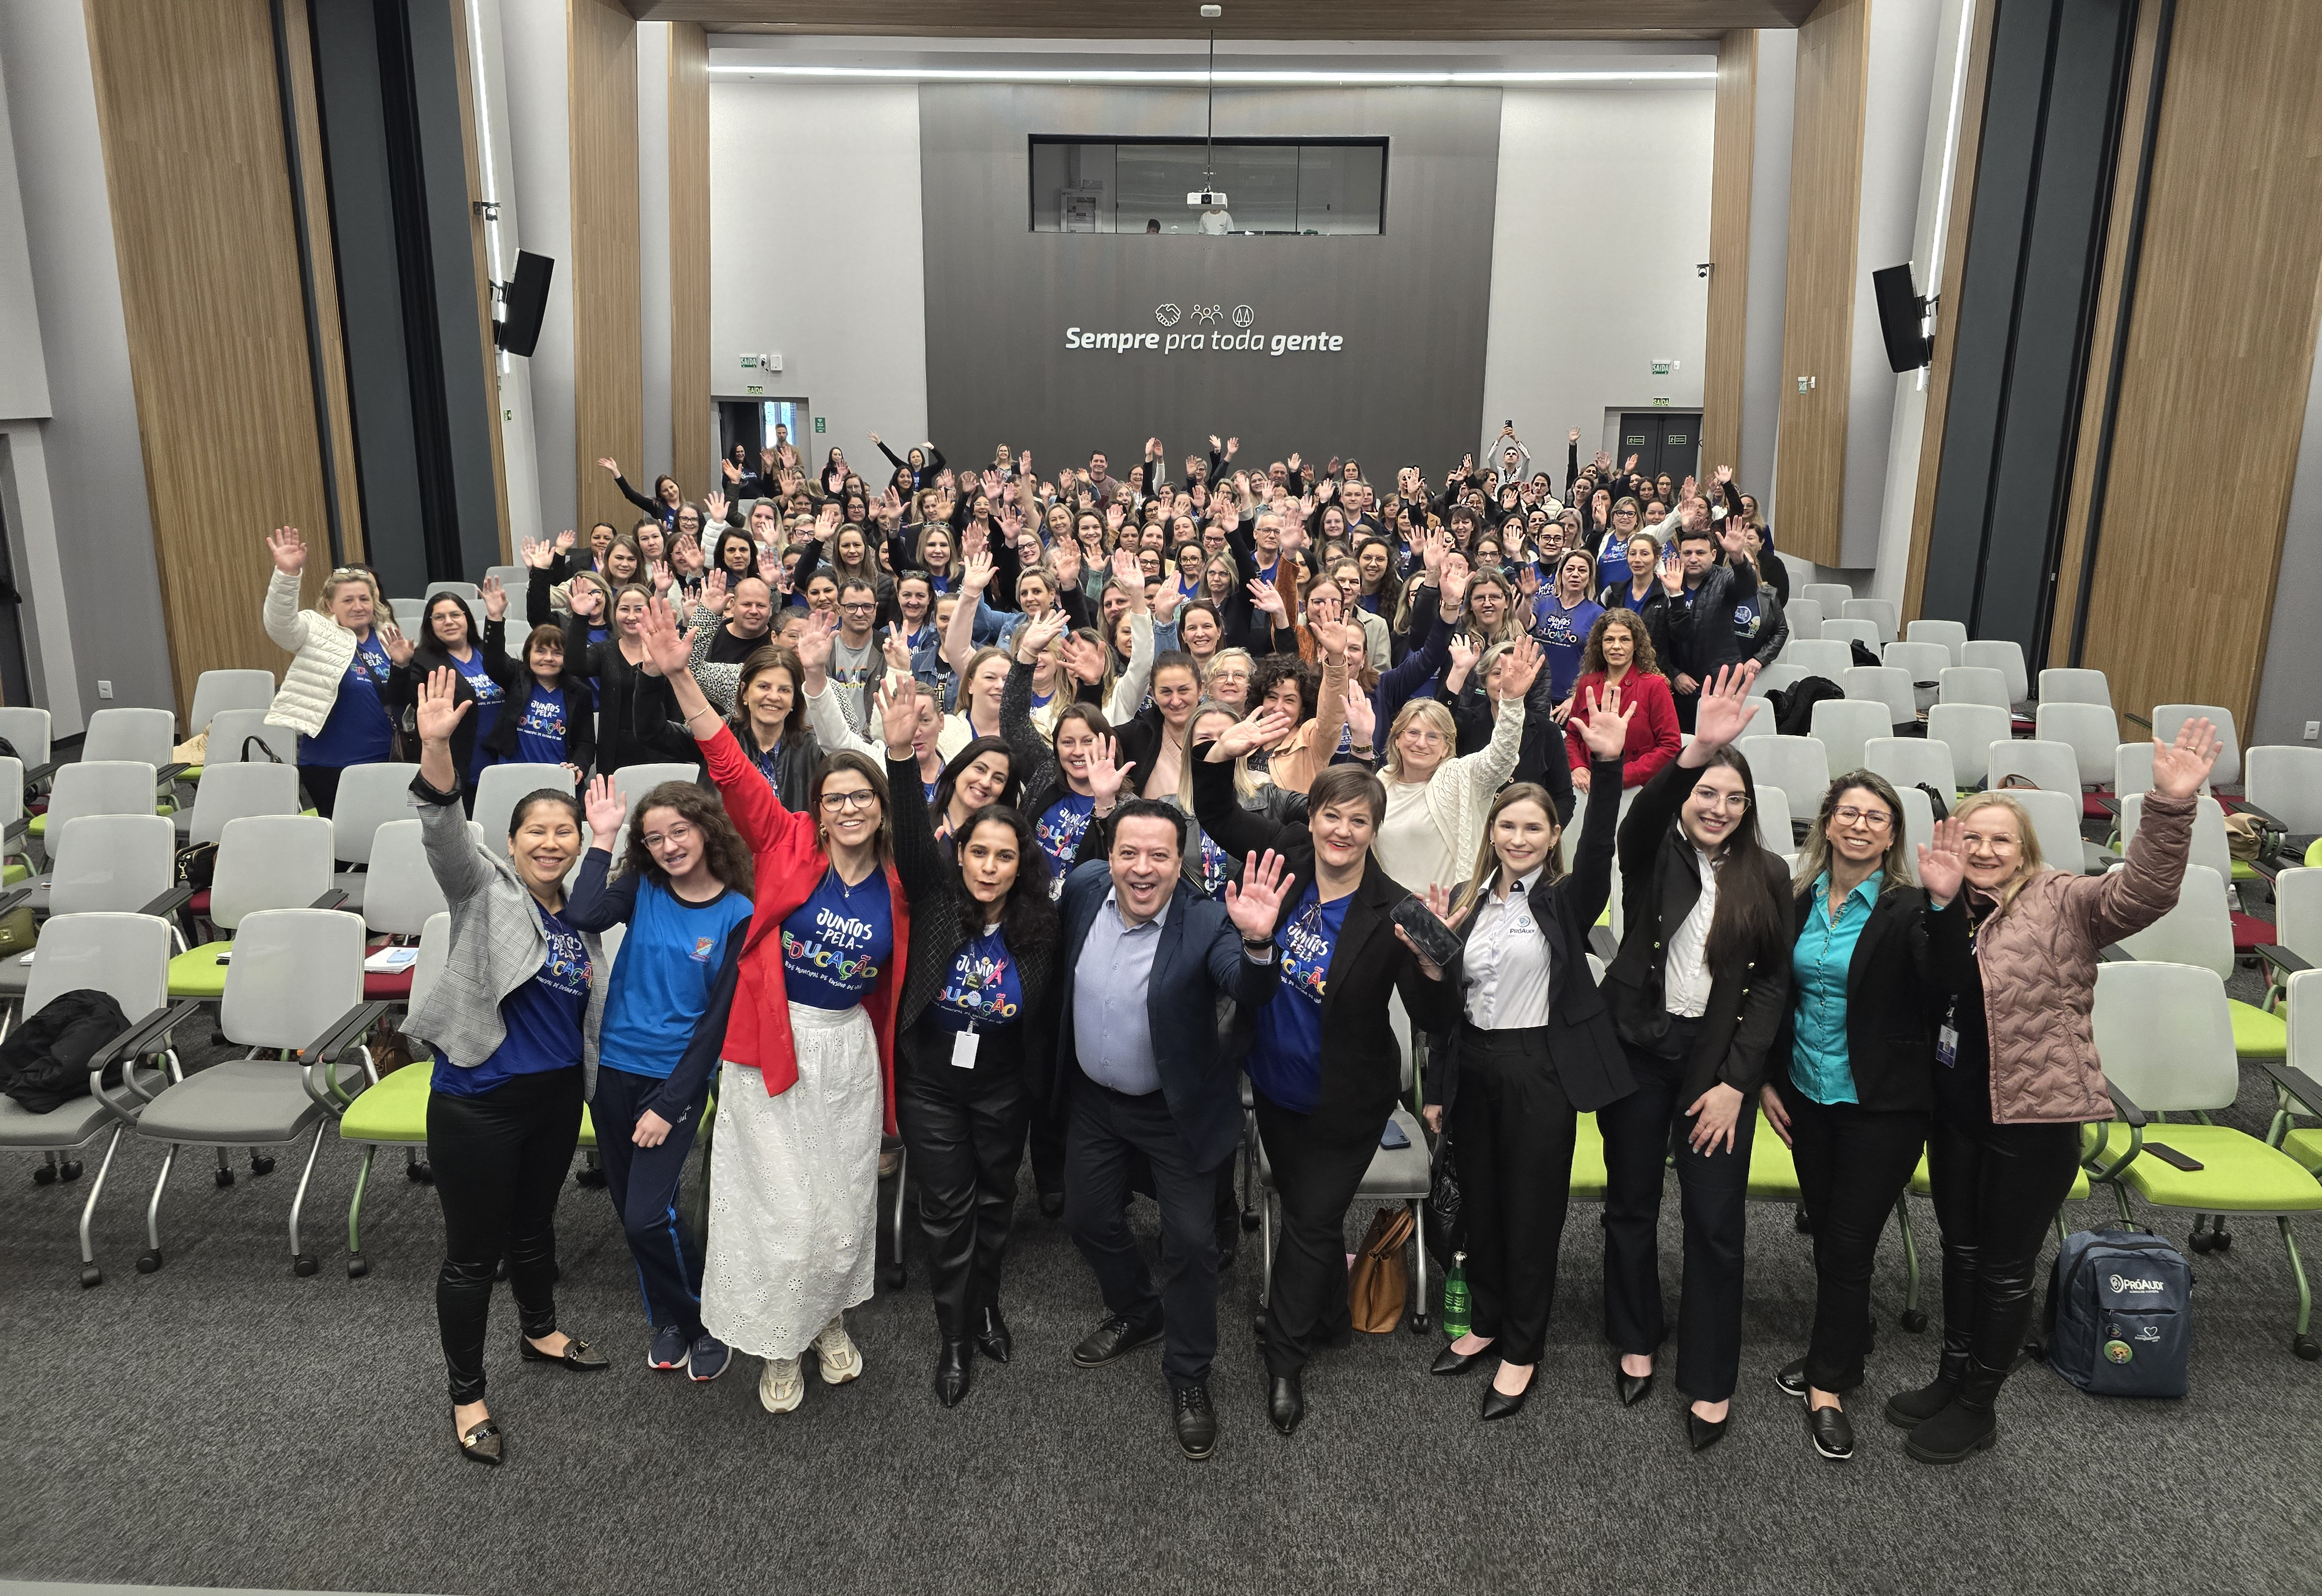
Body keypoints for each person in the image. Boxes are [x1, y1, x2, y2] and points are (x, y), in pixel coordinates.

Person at [1889, 723, 2212, 1464]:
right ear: (1953, 843)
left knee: (2004, 1266)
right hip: (1958, 1114)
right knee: (1961, 1252)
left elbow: (2146, 892)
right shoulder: (1940, 905)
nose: (1987, 850)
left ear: (2026, 847)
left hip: (2035, 1118)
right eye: (1974, 837)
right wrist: (1939, 905)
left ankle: (1978, 1403)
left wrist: (2168, 806)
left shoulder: (2063, 901)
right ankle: (1950, 1374)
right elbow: (1931, 988)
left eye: (2002, 839)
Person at [634, 597, 910, 1417]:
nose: (850, 807)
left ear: (880, 809)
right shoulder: (786, 839)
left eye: (864, 796)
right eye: (837, 797)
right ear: (818, 808)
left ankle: (825, 1319)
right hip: (770, 1048)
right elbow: (724, 761)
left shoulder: (898, 882)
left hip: (848, 1052)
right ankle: (779, 1342)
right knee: (778, 1205)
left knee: (836, 1200)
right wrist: (682, 673)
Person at [1188, 751, 1457, 1435]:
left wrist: (1431, 966)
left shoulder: (1393, 909)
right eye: (1330, 814)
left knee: (1310, 1221)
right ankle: (1330, 1316)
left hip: (1347, 1101)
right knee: (1304, 1211)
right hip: (1275, 1085)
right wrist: (1215, 753)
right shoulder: (1285, 863)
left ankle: (1283, 1358)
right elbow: (1216, 812)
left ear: (1374, 828)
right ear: (1310, 819)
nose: (1341, 829)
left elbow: (1433, 1016)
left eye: (1357, 819)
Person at [402, 667, 611, 1467]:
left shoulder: (582, 919)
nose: (553, 841)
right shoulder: (481, 891)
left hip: (556, 1097)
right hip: (479, 1101)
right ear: (513, 840)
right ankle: (467, 1393)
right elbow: (442, 827)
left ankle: (541, 1329)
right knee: (470, 1254)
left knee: (535, 1227)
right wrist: (436, 747)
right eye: (537, 830)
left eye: (566, 831)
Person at [1418, 690, 1636, 1420]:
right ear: (1493, 830)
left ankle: (1521, 1347)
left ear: (1550, 836)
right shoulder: (1469, 896)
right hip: (1473, 1068)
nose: (1517, 837)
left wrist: (1605, 770)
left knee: (1530, 1213)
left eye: (1532, 827)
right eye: (1507, 824)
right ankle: (1484, 1321)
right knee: (1480, 1205)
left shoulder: (1565, 901)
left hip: (1538, 1070)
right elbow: (1453, 1008)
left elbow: (1601, 852)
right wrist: (1440, 1079)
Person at [1054, 799, 1287, 1460]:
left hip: (1175, 1110)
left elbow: (1247, 987)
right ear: (1109, 851)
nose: (1142, 867)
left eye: (1159, 854)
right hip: (1095, 1103)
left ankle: (1189, 1375)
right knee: (1087, 1218)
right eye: (1129, 852)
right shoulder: (1083, 889)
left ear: (1180, 859)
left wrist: (1259, 943)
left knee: (1189, 1246)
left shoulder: (1207, 919)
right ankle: (1138, 1307)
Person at [1599, 664, 1793, 1451]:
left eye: (1733, 798)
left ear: (1749, 810)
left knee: (1715, 1220)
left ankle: (1710, 1376)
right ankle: (1636, 1333)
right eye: (1707, 794)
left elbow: (1773, 984)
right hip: (1641, 1049)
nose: (1718, 808)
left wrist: (1736, 1084)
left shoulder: (1769, 874)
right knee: (1632, 1202)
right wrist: (1696, 749)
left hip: (1715, 1066)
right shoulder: (1653, 851)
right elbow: (1635, 822)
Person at [1757, 774, 1973, 1461]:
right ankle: (1846, 1336)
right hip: (1807, 1094)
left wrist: (1946, 905)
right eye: (1847, 812)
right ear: (1825, 823)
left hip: (1883, 1106)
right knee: (1827, 1233)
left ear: (1890, 834)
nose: (1858, 824)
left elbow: (1947, 984)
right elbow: (1771, 996)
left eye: (1874, 817)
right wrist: (1767, 1079)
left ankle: (1829, 1380)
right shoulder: (1797, 899)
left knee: (1847, 1245)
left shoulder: (1911, 906)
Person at [875, 684, 1058, 1407]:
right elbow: (916, 837)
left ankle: (986, 1300)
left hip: (1004, 1085)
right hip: (931, 1085)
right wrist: (898, 755)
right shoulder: (934, 895)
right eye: (977, 851)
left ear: (1021, 864)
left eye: (1003, 856)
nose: (987, 866)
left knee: (993, 1199)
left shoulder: (1042, 927)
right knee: (946, 1207)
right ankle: (955, 1335)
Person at [563, 776, 756, 1385]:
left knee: (649, 1217)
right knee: (634, 1213)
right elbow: (582, 913)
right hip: (613, 1072)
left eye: (680, 830)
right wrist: (602, 838)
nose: (670, 845)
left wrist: (671, 1103)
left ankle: (704, 1323)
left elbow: (715, 1025)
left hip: (671, 1083)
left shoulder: (737, 911)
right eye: (655, 837)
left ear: (705, 828)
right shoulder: (642, 886)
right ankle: (665, 1319)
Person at [258, 526, 404, 817]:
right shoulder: (316, 629)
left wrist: (406, 664)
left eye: (364, 599)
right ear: (330, 604)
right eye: (348, 600)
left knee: (385, 838)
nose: (358, 606)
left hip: (385, 760)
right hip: (331, 763)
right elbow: (280, 625)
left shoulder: (388, 636)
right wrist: (287, 576)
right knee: (348, 847)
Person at [390, 586, 524, 808]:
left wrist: (495, 618)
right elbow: (399, 698)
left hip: (503, 757)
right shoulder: (424, 659)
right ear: (430, 624)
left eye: (455, 615)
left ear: (466, 618)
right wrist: (402, 665)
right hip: (461, 761)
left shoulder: (485, 650)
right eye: (439, 617)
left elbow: (511, 677)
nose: (448, 622)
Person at [1659, 508, 1760, 733]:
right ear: (1679, 555)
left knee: (1716, 746)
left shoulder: (1725, 579)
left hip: (1719, 680)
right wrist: (1674, 674)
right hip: (1679, 684)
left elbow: (1747, 587)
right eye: (1687, 553)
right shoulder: (1670, 583)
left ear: (1714, 555)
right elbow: (1659, 638)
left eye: (1700, 553)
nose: (1693, 558)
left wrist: (1737, 557)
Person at [1564, 609, 1682, 796]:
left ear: (1636, 645)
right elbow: (1572, 737)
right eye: (1609, 639)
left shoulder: (1655, 686)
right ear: (1600, 644)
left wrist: (1620, 775)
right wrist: (1577, 766)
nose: (1616, 646)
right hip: (1587, 787)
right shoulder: (1587, 683)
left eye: (1625, 640)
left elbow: (1670, 746)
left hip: (1638, 789)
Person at [493, 623, 597, 774]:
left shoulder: (580, 693)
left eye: (557, 653)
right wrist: (495, 619)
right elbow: (494, 661)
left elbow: (585, 743)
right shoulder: (515, 678)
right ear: (528, 653)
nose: (548, 658)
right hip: (511, 775)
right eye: (541, 651)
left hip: (557, 777)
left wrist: (577, 765)